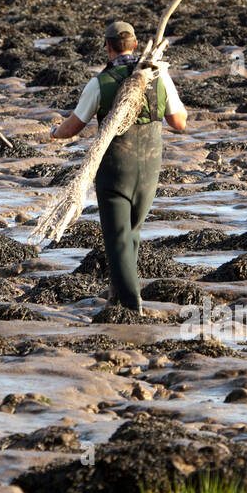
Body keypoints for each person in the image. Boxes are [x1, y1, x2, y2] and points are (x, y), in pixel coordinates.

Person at [48, 20, 188, 313]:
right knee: (132, 233)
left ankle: (132, 305)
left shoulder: (101, 82)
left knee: (118, 241)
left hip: (114, 171)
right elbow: (179, 124)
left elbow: (73, 127)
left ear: (108, 47)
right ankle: (116, 294)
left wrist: (53, 133)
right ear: (136, 45)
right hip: (149, 170)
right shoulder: (160, 76)